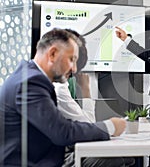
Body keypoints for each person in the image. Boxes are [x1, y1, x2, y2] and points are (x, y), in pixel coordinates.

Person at [0, 28, 126, 166]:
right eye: (71, 60)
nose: (74, 69)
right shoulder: (31, 83)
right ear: (53, 54)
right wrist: (110, 126)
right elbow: (62, 131)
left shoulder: (30, 76)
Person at [53, 29, 135, 167]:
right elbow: (89, 126)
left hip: (63, 149)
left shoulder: (56, 85)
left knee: (126, 158)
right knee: (118, 159)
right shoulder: (58, 89)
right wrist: (86, 90)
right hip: (62, 157)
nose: (74, 69)